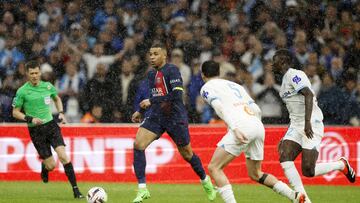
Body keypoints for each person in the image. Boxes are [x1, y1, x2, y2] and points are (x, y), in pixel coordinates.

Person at [200, 60, 306, 203]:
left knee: (214, 167)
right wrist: (256, 127)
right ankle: (294, 196)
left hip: (241, 126)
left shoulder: (207, 87)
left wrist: (235, 128)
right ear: (219, 73)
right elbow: (256, 108)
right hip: (257, 124)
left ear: (202, 74)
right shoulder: (236, 85)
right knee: (255, 173)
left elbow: (219, 107)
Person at [131, 43, 216, 203]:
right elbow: (153, 97)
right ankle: (142, 189)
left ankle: (205, 180)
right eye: (150, 54)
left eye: (156, 54)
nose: (152, 57)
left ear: (164, 56)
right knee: (138, 145)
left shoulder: (172, 71)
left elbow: (177, 95)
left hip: (175, 118)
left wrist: (151, 100)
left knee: (187, 154)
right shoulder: (151, 75)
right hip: (156, 117)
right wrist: (140, 112)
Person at [272, 49, 356, 203]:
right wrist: (287, 135)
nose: (272, 64)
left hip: (312, 122)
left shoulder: (294, 74)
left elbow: (309, 94)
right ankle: (302, 198)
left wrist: (307, 123)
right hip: (296, 125)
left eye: (275, 60)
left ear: (284, 61)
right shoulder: (283, 83)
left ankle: (341, 164)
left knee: (308, 170)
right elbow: (294, 111)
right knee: (284, 155)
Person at [12, 60, 84, 199]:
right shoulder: (22, 91)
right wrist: (30, 119)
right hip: (36, 130)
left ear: (40, 72)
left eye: (36, 73)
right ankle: (45, 167)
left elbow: (57, 99)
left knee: (63, 156)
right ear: (27, 74)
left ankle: (76, 190)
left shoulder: (48, 86)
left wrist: (61, 113)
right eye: (31, 73)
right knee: (51, 165)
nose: (34, 76)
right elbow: (15, 112)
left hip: (51, 126)